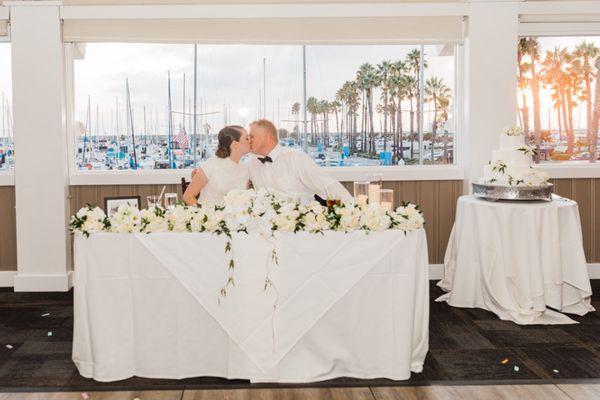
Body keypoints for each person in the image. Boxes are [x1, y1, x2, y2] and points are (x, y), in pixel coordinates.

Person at [248, 119, 352, 204]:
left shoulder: (296, 158)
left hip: (302, 223)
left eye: (251, 136)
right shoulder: (252, 162)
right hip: (267, 225)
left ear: (266, 137)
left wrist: (350, 211)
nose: (249, 140)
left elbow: (328, 186)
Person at [183, 125, 250, 205]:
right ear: (235, 144)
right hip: (209, 215)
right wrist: (205, 215)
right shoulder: (211, 165)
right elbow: (188, 196)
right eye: (246, 138)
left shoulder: (245, 169)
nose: (250, 141)